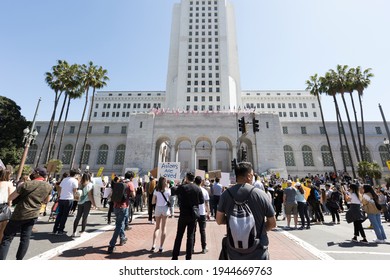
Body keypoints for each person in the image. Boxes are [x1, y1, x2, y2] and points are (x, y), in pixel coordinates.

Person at [216, 162, 276, 260]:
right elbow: (272, 223)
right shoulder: (261, 195)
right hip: (259, 249)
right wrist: (258, 228)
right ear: (249, 176)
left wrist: (234, 221)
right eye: (252, 175)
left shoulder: (225, 194)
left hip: (234, 251)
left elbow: (219, 220)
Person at [0, 168, 52, 260]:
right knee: (25, 238)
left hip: (19, 214)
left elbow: (10, 197)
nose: (32, 173)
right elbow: (46, 200)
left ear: (37, 174)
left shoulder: (26, 184)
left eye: (34, 172)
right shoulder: (48, 186)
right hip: (34, 214)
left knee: (7, 238)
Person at [172, 172, 204, 260]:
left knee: (179, 235)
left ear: (186, 178)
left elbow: (173, 191)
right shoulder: (197, 188)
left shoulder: (182, 187)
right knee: (190, 236)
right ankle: (188, 257)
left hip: (183, 214)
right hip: (193, 215)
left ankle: (175, 256)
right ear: (193, 179)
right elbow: (201, 201)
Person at [107, 175, 132, 254]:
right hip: (123, 207)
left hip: (115, 207)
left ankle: (122, 238)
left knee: (119, 224)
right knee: (118, 225)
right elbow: (133, 195)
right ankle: (111, 245)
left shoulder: (116, 185)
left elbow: (110, 196)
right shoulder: (128, 184)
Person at [71, 172, 97, 237]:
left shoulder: (80, 184)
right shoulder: (90, 185)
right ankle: (82, 231)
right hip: (87, 202)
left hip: (80, 202)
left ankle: (74, 232)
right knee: (84, 217)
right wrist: (94, 204)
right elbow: (90, 195)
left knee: (78, 217)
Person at [150, 176, 171, 253]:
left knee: (157, 227)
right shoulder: (168, 190)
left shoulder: (156, 190)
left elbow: (153, 202)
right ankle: (161, 247)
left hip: (158, 208)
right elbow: (169, 200)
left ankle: (153, 245)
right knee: (164, 228)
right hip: (165, 208)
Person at [193, 176, 210, 254]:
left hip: (193, 212)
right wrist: (208, 212)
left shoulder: (192, 190)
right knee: (202, 231)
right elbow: (207, 203)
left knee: (193, 231)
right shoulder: (204, 191)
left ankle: (191, 247)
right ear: (201, 182)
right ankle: (204, 247)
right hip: (202, 212)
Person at [0, 169, 14, 242]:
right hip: (2, 207)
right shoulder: (8, 184)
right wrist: (10, 205)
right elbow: (10, 197)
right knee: (2, 229)